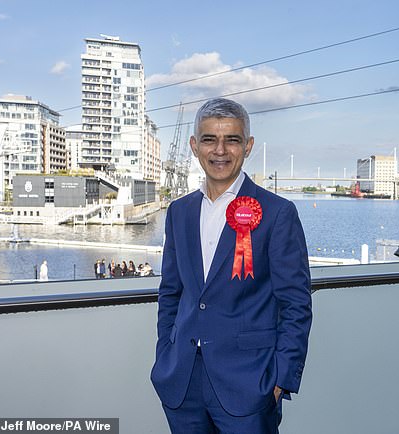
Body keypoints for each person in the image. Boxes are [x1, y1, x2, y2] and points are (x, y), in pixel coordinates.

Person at [151, 98, 312, 433]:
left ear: (248, 146)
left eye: (232, 140)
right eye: (209, 139)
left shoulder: (278, 213)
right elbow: (171, 293)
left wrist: (281, 378)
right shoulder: (178, 212)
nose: (220, 150)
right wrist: (165, 353)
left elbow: (296, 304)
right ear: (194, 146)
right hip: (181, 382)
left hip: (249, 385)